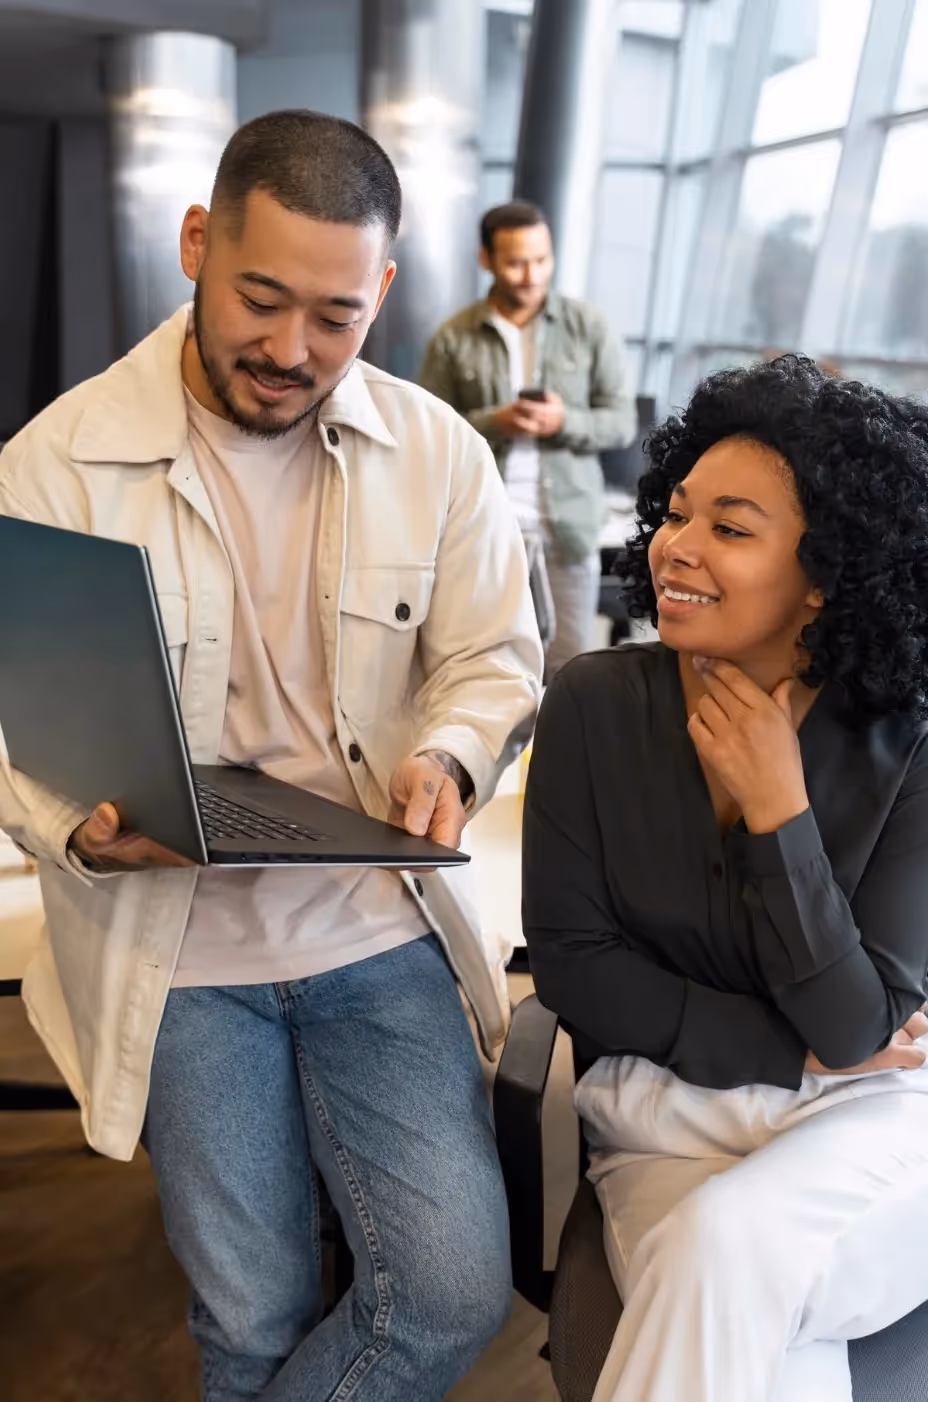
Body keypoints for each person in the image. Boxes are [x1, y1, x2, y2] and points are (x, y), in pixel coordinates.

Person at [0, 110, 543, 1401]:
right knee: (250, 1323)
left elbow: (494, 657)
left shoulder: (437, 454)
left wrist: (454, 758)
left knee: (454, 1288)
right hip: (177, 946)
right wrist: (78, 826)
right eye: (260, 299)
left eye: (338, 316)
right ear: (198, 241)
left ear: (386, 293)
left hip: (372, 919)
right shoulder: (54, 465)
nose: (293, 350)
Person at [522, 355, 928, 1402]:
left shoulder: (909, 745)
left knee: (720, 1254)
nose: (674, 547)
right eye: (679, 512)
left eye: (731, 528)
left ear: (826, 575)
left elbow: (858, 1034)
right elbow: (573, 968)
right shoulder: (591, 705)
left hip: (868, 1121)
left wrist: (777, 810)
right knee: (744, 1305)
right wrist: (780, 1047)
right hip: (660, 1115)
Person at [420, 200, 636, 676]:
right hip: (481, 528)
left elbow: (621, 421)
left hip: (566, 532)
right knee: (478, 665)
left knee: (567, 671)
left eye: (541, 260)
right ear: (487, 260)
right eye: (516, 262)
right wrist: (499, 420)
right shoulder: (455, 336)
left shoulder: (588, 328)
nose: (530, 275)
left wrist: (564, 421)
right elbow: (427, 432)